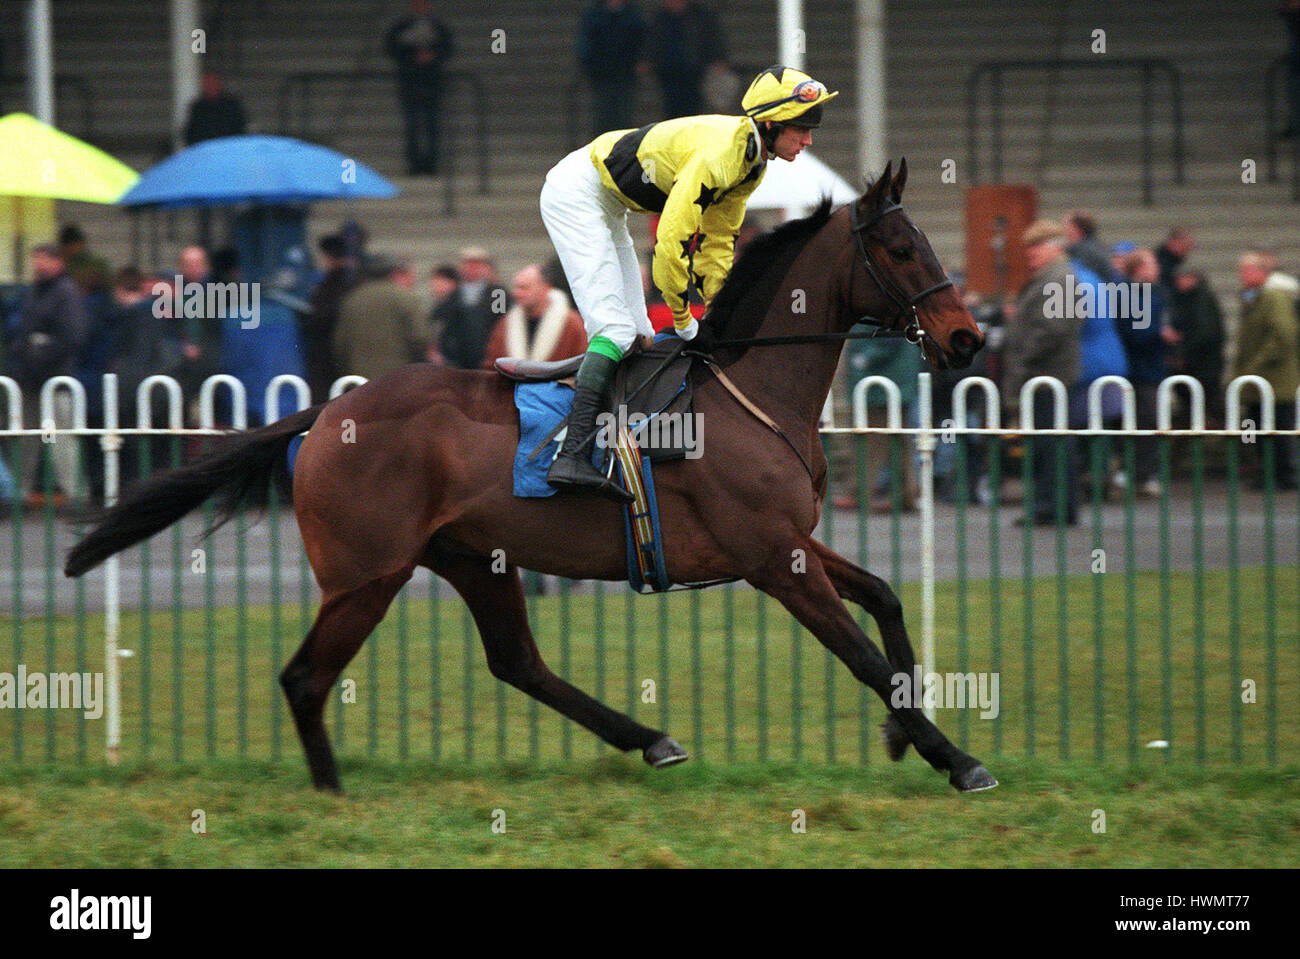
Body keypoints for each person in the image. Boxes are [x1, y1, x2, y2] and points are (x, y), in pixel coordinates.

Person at [538, 64, 837, 501]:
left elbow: (717, 242)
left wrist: (719, 307)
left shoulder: (751, 164)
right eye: (802, 128)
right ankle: (572, 455)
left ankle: (620, 447)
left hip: (610, 203)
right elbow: (673, 237)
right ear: (770, 123)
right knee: (616, 331)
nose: (808, 139)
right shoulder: (721, 154)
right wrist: (682, 315)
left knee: (639, 333)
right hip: (577, 193)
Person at [1002, 221, 1082, 526]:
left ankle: (1052, 505)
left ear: (1055, 246)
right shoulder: (1052, 277)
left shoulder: (1059, 278)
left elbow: (1053, 329)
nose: (1030, 254)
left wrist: (1023, 360)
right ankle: (1054, 504)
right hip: (1047, 373)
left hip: (1049, 374)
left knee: (1052, 444)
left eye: (1036, 247)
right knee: (1051, 442)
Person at [5, 244, 89, 507]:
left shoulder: (65, 292)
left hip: (55, 376)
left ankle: (77, 495)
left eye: (42, 260)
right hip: (31, 376)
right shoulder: (36, 291)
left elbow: (73, 335)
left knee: (61, 437)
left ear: (57, 262)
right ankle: (18, 493)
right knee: (27, 437)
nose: (37, 265)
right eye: (35, 260)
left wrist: (37, 351)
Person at [1234, 250, 1298, 490]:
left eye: (1246, 270)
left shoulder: (1273, 297)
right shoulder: (1253, 298)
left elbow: (1283, 335)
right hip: (1258, 382)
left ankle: (1283, 475)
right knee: (1255, 430)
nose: (1242, 275)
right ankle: (1265, 473)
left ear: (1261, 272)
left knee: (1277, 431)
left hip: (1274, 381)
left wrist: (1254, 366)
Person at [1118, 247, 1180, 496]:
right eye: (1151, 264)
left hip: (1151, 368)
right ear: (1139, 269)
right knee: (1146, 423)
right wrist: (1161, 335)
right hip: (1140, 370)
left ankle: (1139, 471)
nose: (1157, 268)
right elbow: (1132, 333)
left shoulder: (1152, 294)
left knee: (1149, 421)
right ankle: (1138, 473)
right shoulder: (1132, 296)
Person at [331, 253, 432, 381]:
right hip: (399, 376)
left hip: (359, 377)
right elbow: (420, 337)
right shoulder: (405, 297)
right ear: (394, 273)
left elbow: (340, 342)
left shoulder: (353, 298)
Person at [384, 0, 454, 175]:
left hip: (432, 82)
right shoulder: (401, 26)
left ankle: (431, 165)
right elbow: (391, 48)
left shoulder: (438, 26)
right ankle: (414, 165)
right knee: (412, 126)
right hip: (410, 81)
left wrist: (432, 56)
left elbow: (448, 48)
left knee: (432, 126)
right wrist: (412, 57)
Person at [482, 264, 588, 367]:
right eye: (516, 287)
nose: (516, 293)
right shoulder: (505, 324)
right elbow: (492, 365)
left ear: (545, 288)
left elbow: (583, 364)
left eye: (524, 288)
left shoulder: (573, 324)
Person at [641, 0, 728, 119]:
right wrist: (648, 60)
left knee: (692, 107)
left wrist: (718, 59)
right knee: (670, 108)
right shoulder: (660, 18)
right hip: (667, 72)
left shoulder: (700, 16)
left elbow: (712, 39)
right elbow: (653, 42)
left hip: (693, 71)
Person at [299, 234, 358, 401]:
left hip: (328, 353)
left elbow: (321, 317)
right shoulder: (357, 280)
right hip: (345, 352)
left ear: (328, 257)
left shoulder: (331, 284)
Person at [577, 0, 647, 138]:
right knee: (602, 115)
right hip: (601, 73)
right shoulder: (595, 15)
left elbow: (642, 40)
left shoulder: (633, 15)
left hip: (626, 72)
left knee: (624, 115)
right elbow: (585, 42)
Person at [182, 71, 247, 145]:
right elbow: (191, 131)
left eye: (214, 83)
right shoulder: (198, 107)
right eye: (208, 84)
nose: (211, 86)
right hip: (205, 148)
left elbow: (239, 128)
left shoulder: (231, 105)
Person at [1063, 208, 1116, 281]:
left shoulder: (1084, 252)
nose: (1064, 231)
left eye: (1067, 227)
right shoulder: (1097, 246)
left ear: (1077, 229)